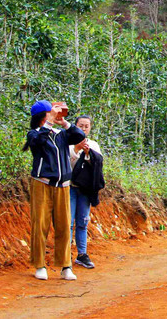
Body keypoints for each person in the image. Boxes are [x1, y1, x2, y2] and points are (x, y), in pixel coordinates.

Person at [23, 100, 86, 281]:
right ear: (43, 115)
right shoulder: (34, 134)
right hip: (42, 183)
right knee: (40, 225)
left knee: (64, 227)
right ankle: (40, 265)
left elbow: (79, 135)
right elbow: (39, 142)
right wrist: (49, 123)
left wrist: (64, 123)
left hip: (63, 185)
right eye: (51, 112)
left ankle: (66, 266)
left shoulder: (61, 134)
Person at [69, 115, 103, 270]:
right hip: (69, 187)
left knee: (82, 222)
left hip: (85, 189)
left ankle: (82, 254)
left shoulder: (93, 144)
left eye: (86, 126)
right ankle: (65, 254)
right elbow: (64, 162)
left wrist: (89, 154)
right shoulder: (67, 141)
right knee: (68, 222)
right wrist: (76, 149)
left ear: (90, 128)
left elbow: (98, 163)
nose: (83, 129)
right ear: (75, 126)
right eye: (80, 125)